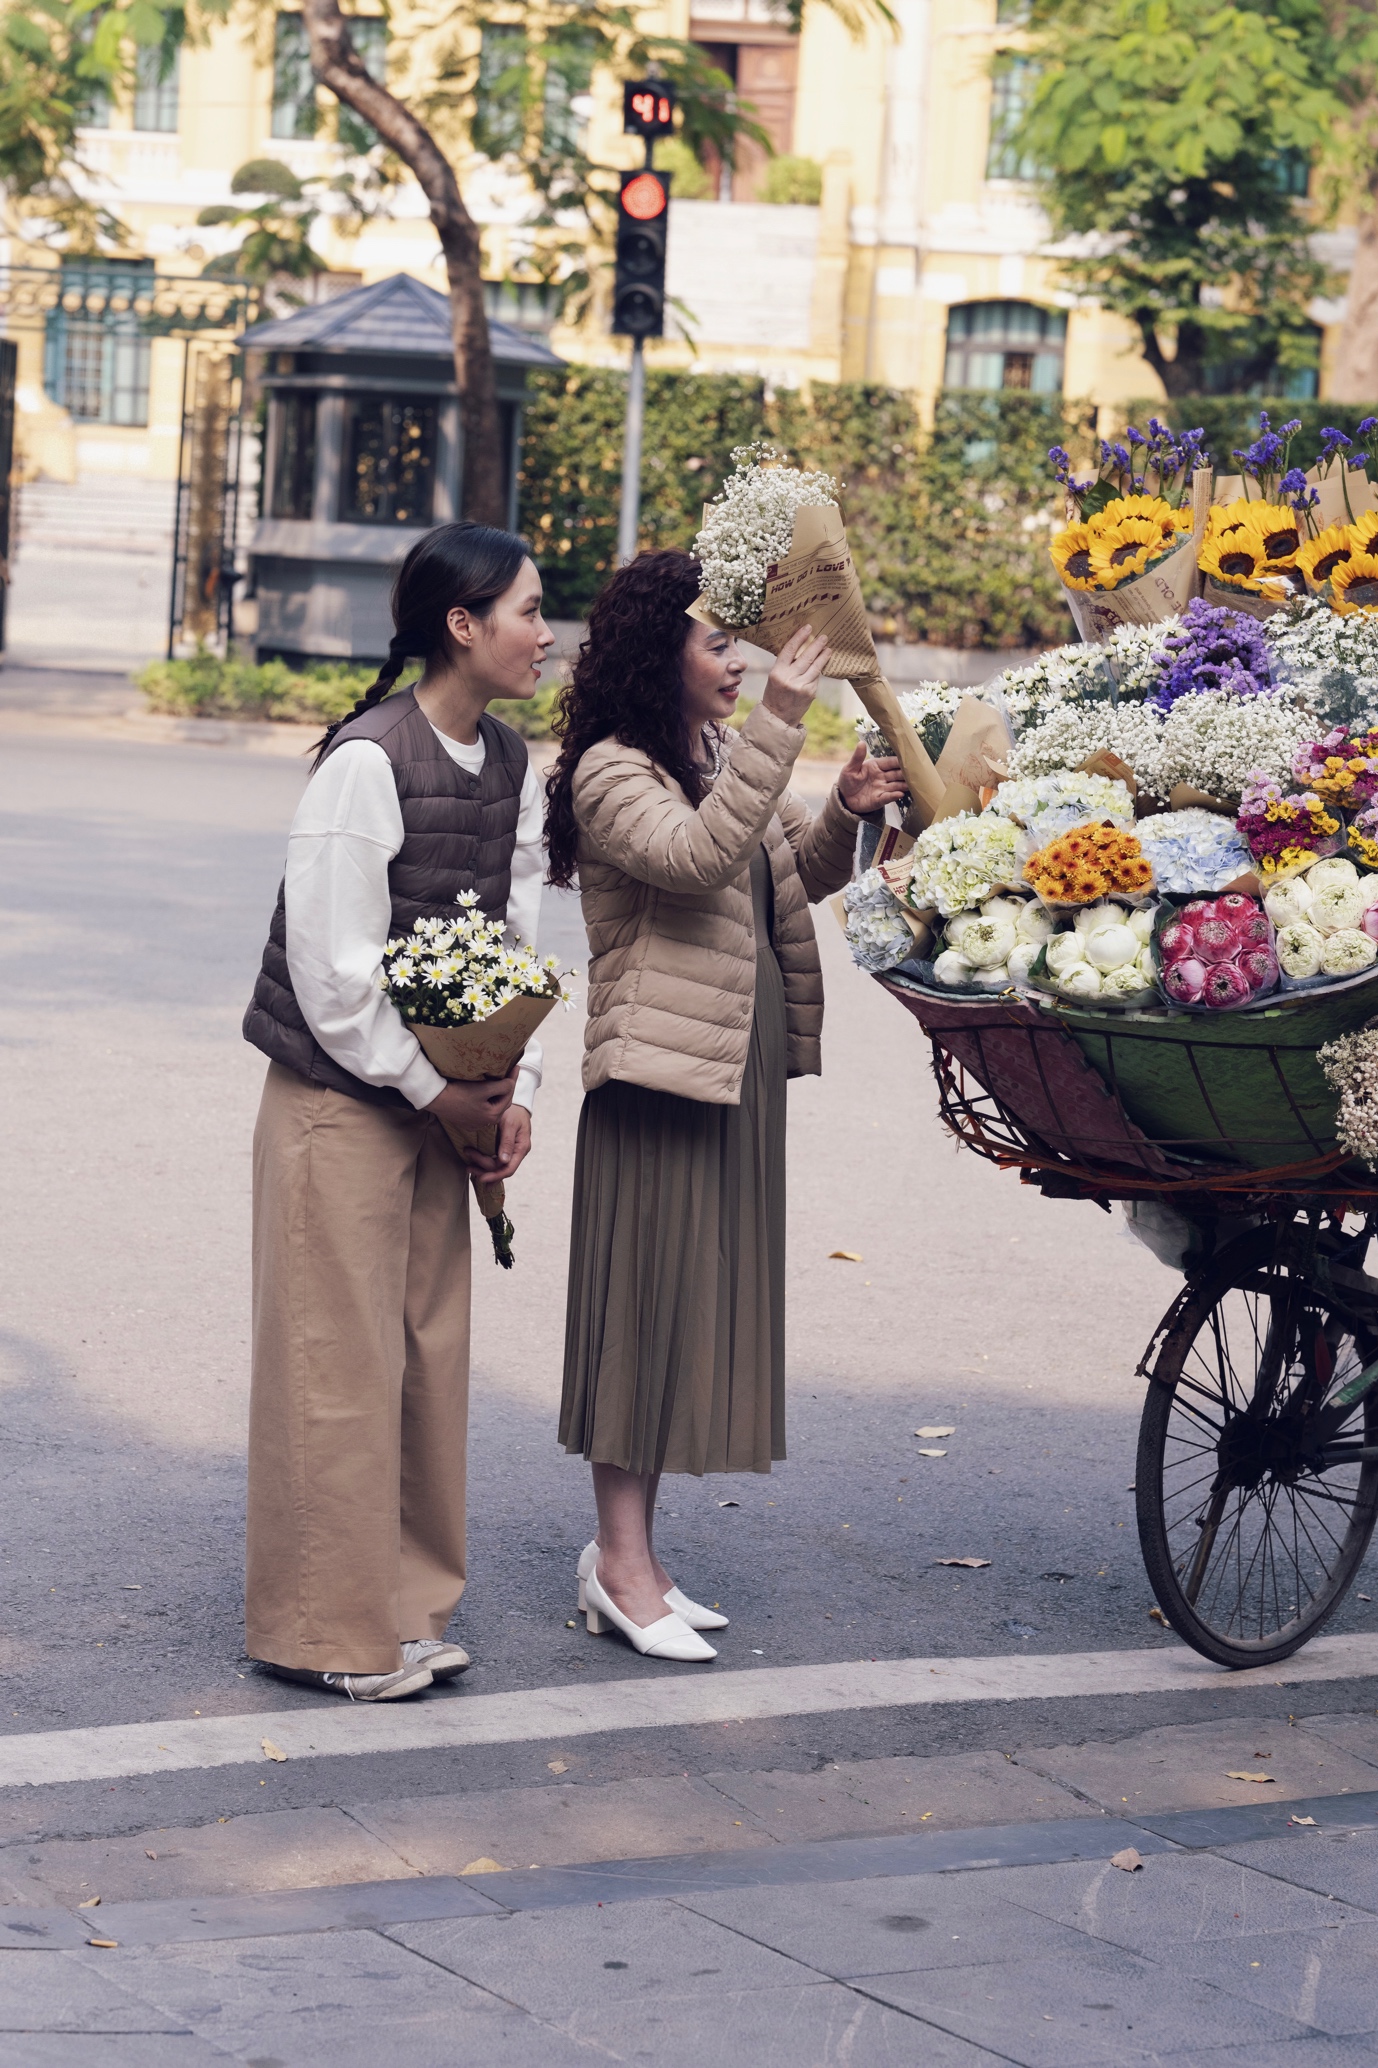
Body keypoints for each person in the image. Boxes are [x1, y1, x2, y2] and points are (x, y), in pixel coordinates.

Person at [544, 548, 906, 1662]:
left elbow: (777, 873)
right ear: (663, 654)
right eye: (720, 643)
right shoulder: (610, 770)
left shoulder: (704, 750)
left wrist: (840, 812)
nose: (741, 662)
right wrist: (784, 719)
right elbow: (697, 860)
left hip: (731, 1063)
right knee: (638, 1315)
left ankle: (636, 1557)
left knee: (689, 1311)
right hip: (658, 1074)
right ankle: (618, 1564)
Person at [241, 522, 552, 1700]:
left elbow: (515, 940)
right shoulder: (365, 762)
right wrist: (440, 1094)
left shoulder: (511, 762)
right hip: (338, 1101)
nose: (544, 632)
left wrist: (510, 1085)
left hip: (438, 1105)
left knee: (427, 1355)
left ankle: (407, 1608)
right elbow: (332, 975)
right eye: (527, 610)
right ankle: (325, 1628)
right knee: (339, 1362)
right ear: (461, 625)